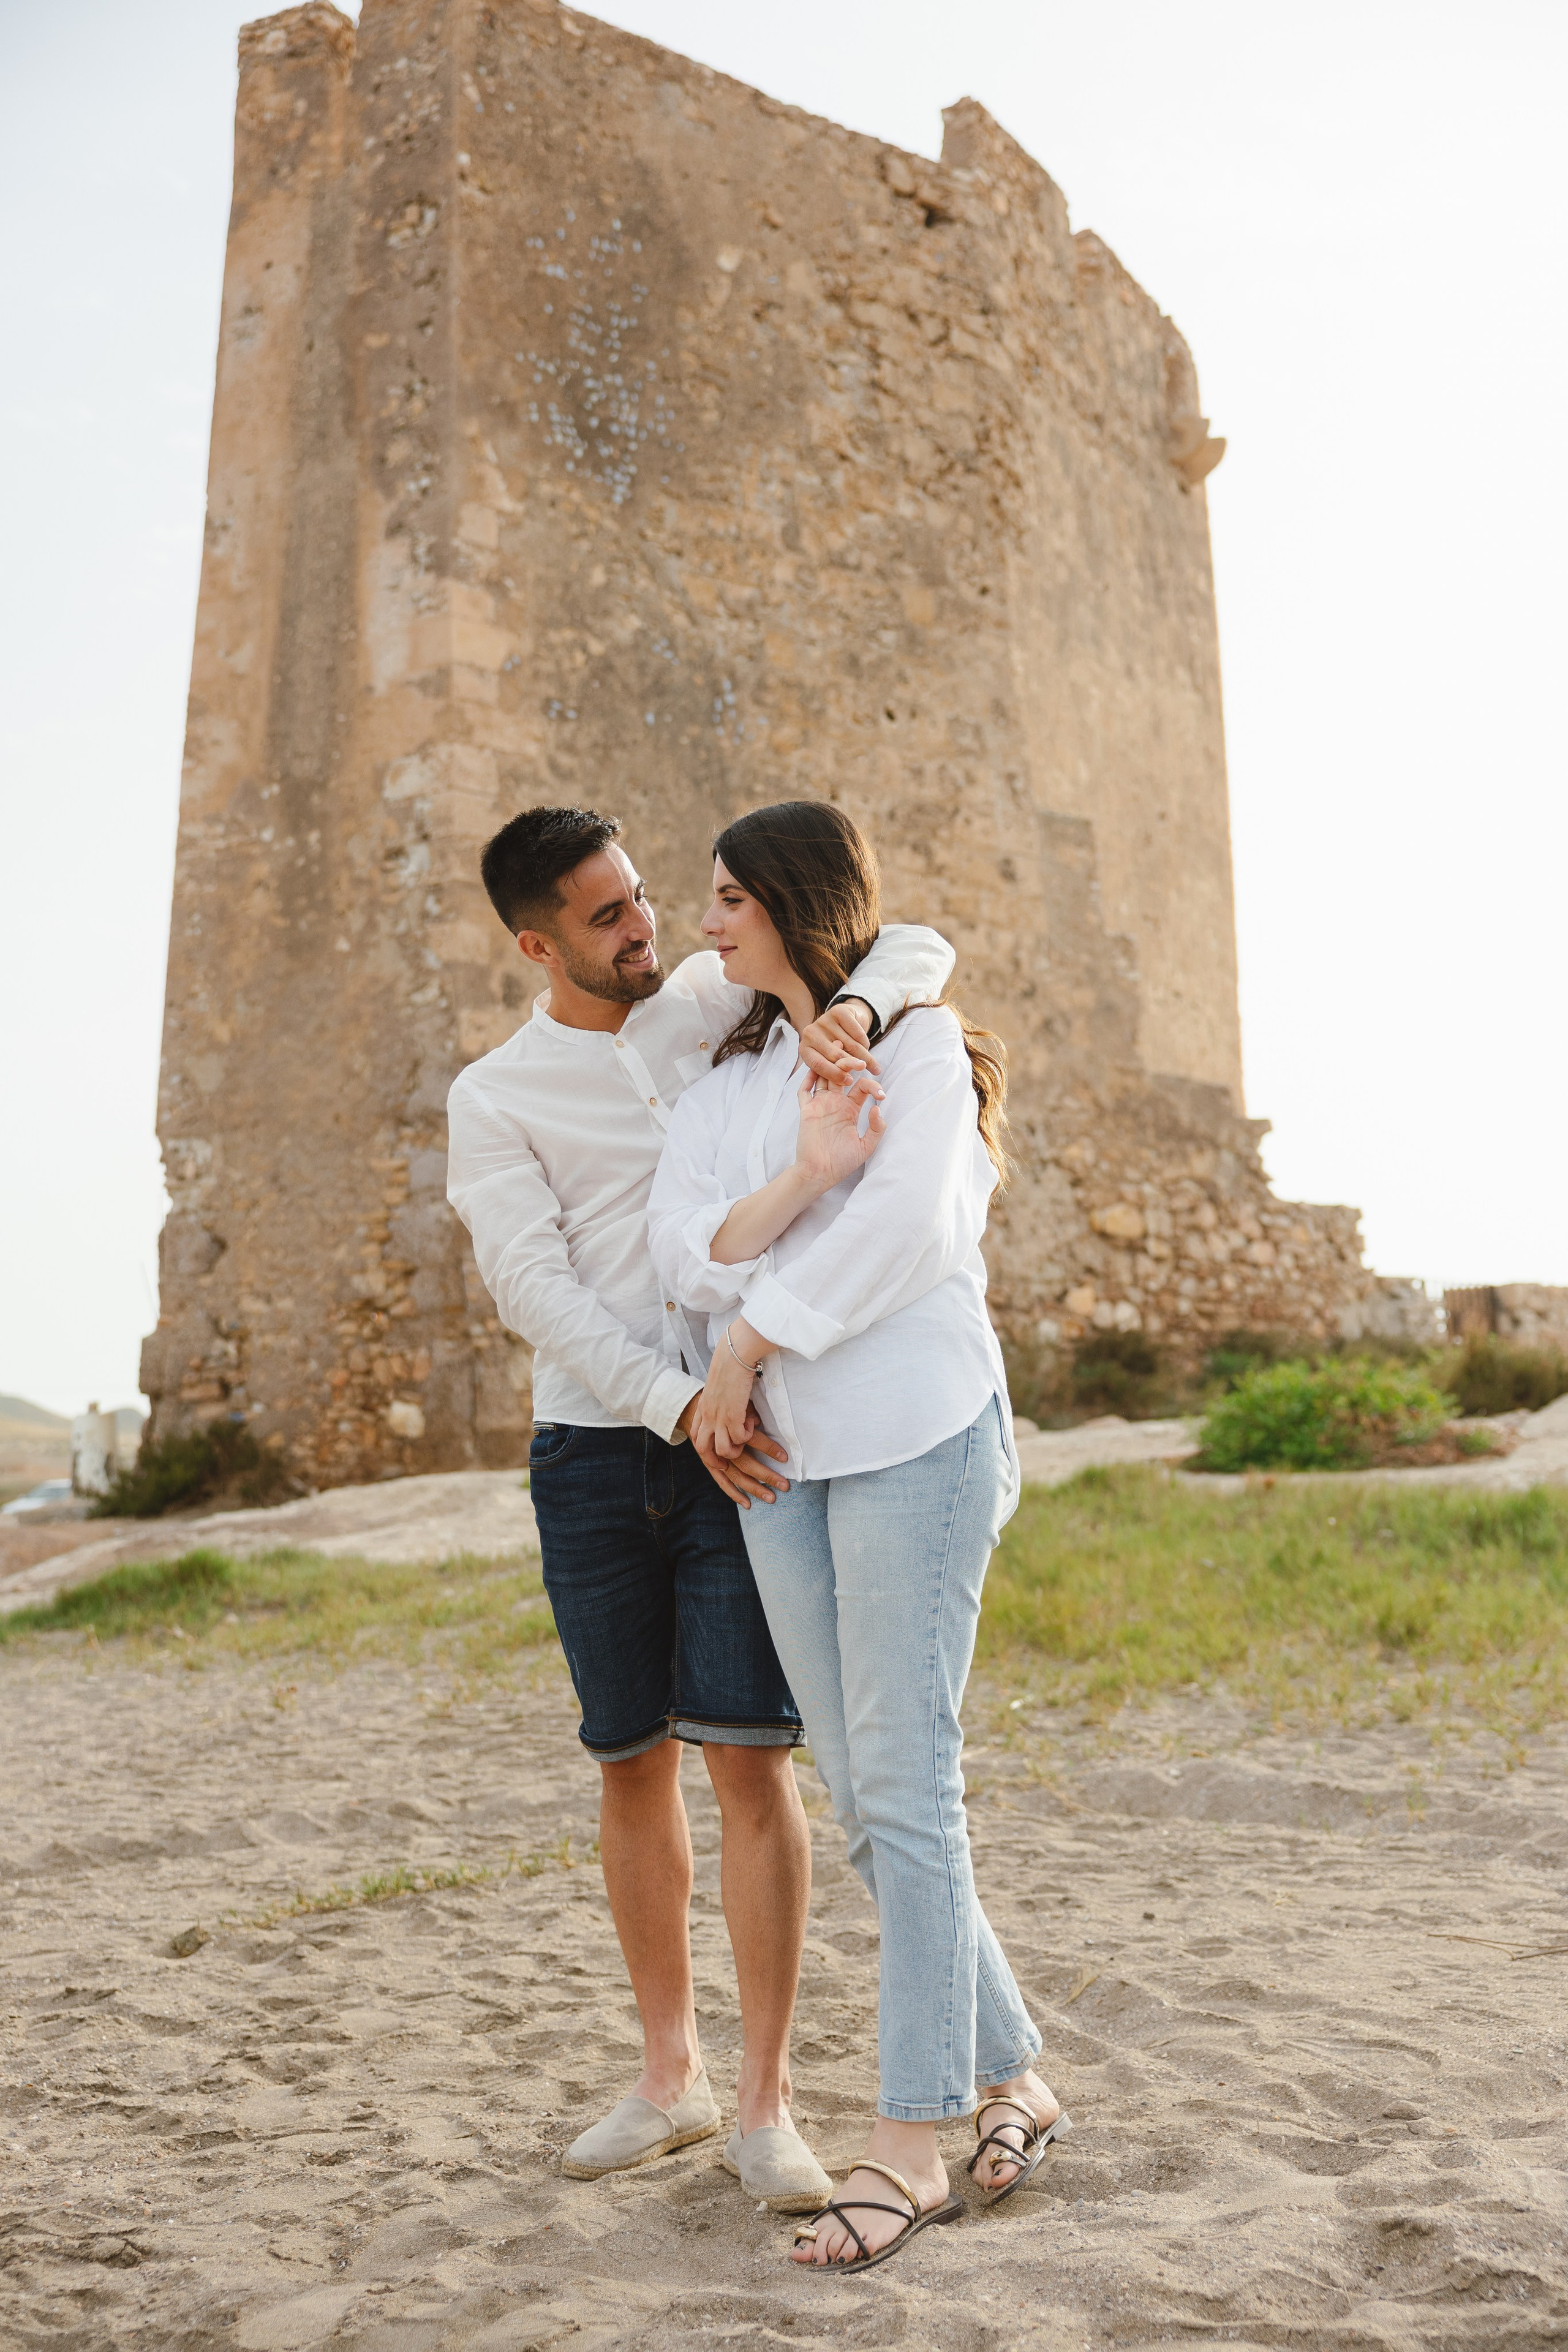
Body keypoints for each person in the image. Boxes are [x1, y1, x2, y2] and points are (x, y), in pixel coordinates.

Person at [445, 804, 954, 2212]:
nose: (644, 926)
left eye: (642, 899)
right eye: (605, 917)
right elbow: (532, 1290)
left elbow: (911, 937)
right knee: (628, 1759)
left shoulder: (699, 1011)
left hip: (751, 1434)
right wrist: (678, 1408)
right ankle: (665, 2076)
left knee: (753, 1763)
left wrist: (851, 1004)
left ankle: (763, 2101)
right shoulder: (492, 1097)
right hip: (603, 1451)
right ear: (538, 942)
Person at [647, 799, 1069, 2270]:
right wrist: (797, 1196)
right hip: (784, 1468)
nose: (703, 926)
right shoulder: (720, 1088)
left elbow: (910, 1240)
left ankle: (908, 2142)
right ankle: (1014, 2072)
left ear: (783, 901)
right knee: (868, 1788)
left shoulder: (916, 1039)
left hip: (915, 1435)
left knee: (906, 1781)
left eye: (723, 899)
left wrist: (748, 1340)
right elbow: (678, 1252)